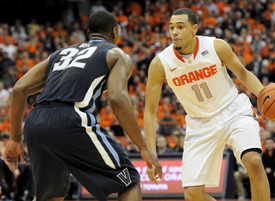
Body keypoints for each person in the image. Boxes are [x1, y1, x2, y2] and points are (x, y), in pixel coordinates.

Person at [4, 10, 162, 201]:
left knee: (49, 196)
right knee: (129, 181)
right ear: (115, 32)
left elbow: (19, 89)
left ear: (88, 34)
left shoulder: (60, 53)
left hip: (35, 121)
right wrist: (142, 147)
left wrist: (14, 139)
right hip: (71, 119)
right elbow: (117, 98)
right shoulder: (117, 54)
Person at [144, 8, 270, 201]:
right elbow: (151, 111)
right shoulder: (160, 63)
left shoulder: (216, 46)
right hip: (199, 123)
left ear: (194, 28)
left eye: (180, 27)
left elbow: (243, 73)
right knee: (192, 195)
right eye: (171, 28)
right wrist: (151, 153)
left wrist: (264, 96)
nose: (174, 32)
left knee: (253, 162)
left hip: (233, 111)